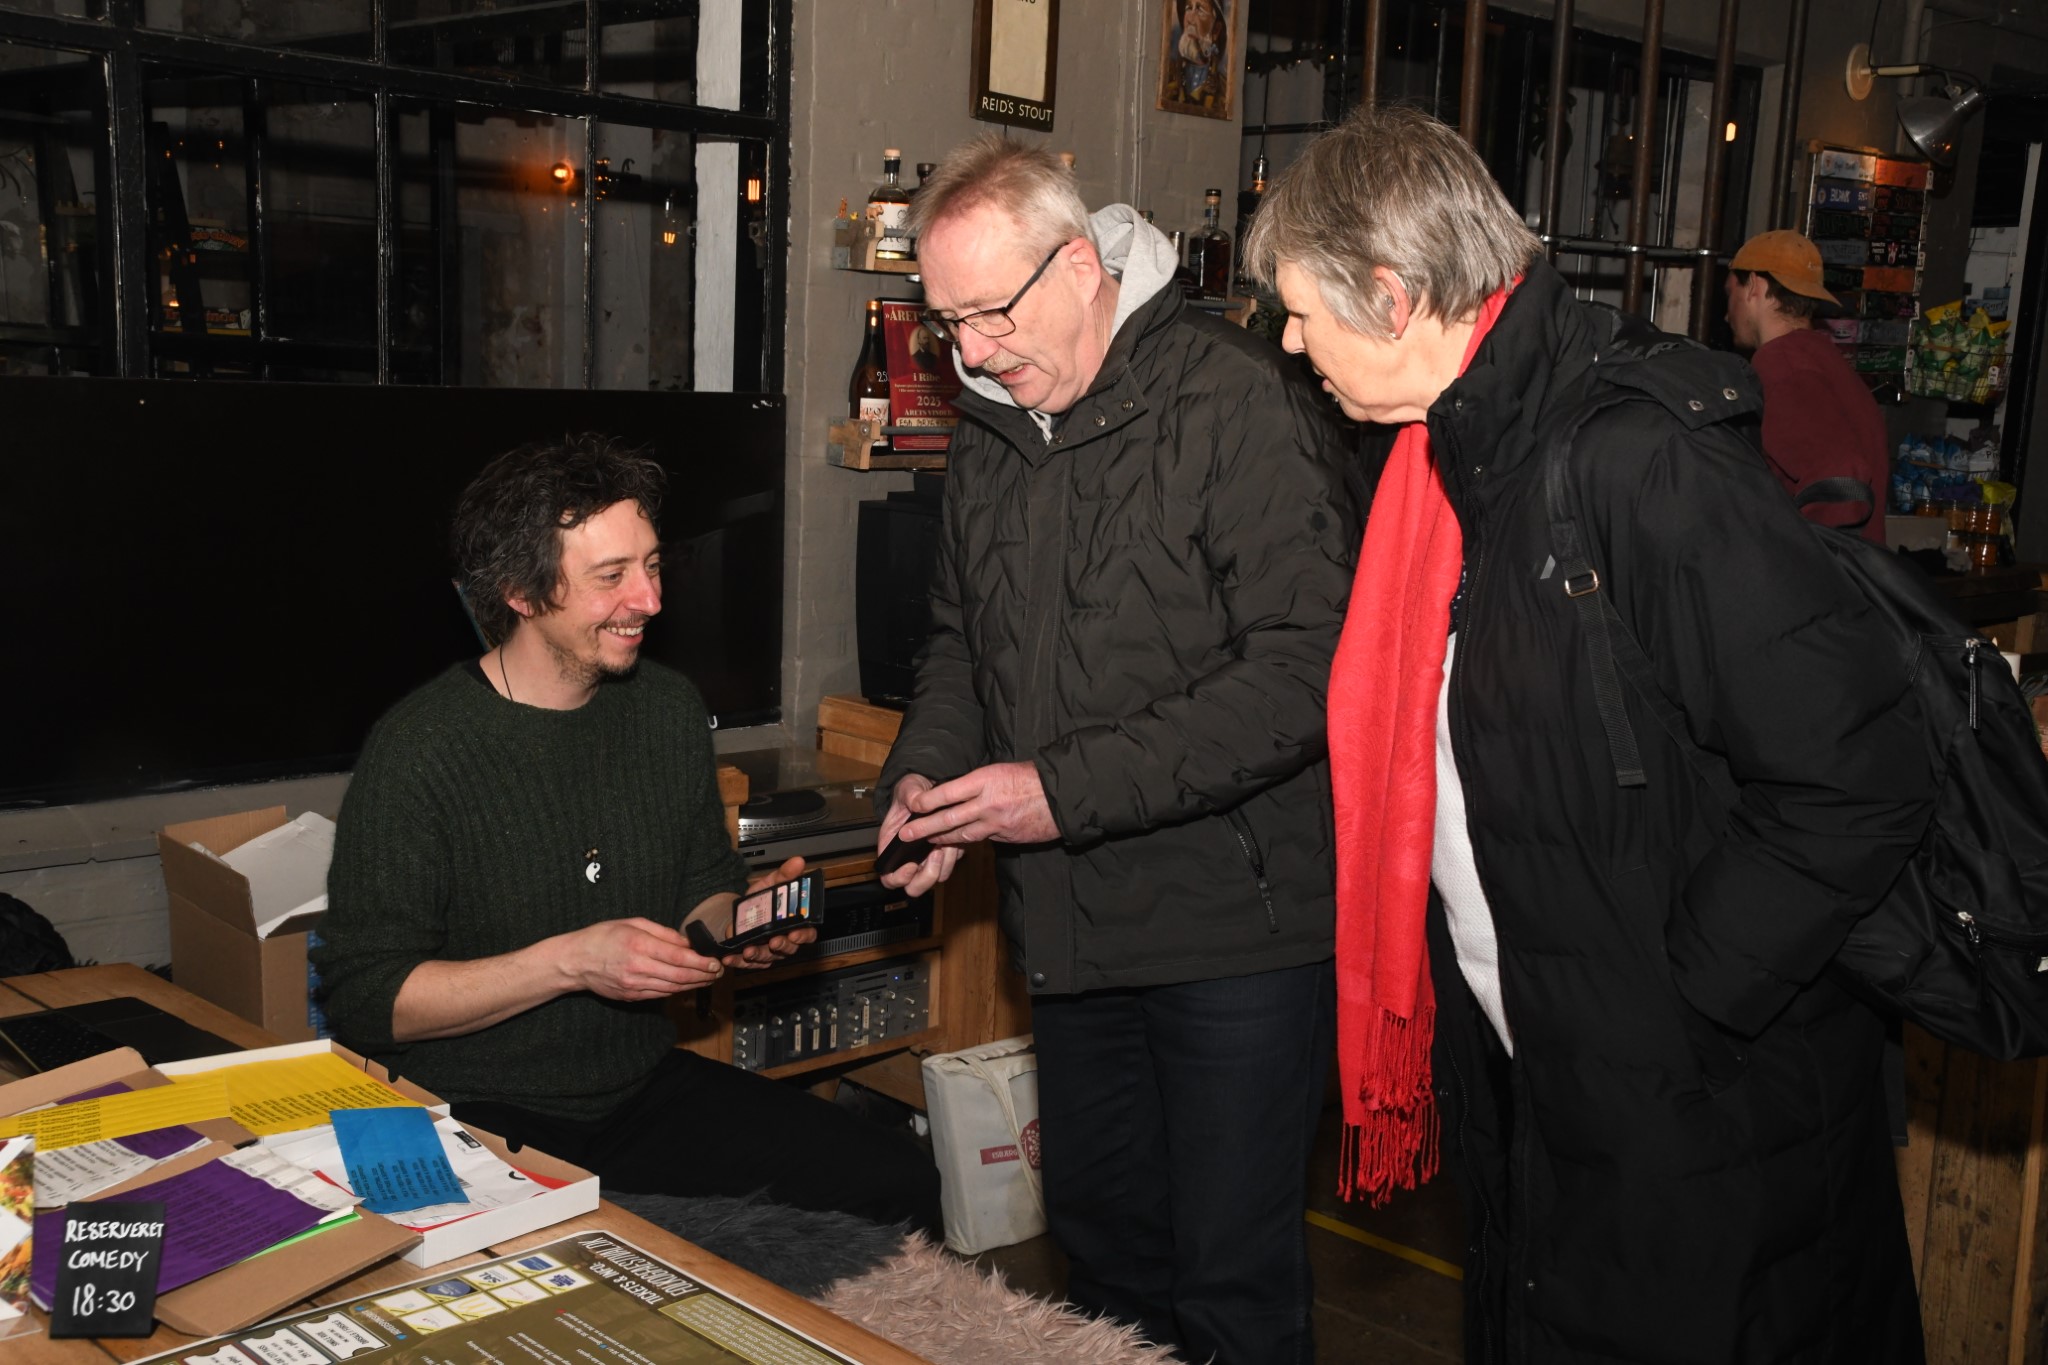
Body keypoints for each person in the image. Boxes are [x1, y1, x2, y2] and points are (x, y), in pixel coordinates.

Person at [1244, 105, 1933, 1362]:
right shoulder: (1454, 461)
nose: (1290, 343)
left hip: (1708, 1129)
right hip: (1547, 1103)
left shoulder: (1633, 464)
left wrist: (1682, 1003)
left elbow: (1860, 772)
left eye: (1302, 310)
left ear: (1393, 297)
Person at [875, 136, 1356, 1365]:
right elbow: (956, 641)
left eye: (990, 313)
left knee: (1230, 1278)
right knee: (1102, 1258)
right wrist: (925, 778)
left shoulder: (1235, 398)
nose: (970, 351)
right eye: (945, 324)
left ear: (1081, 264)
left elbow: (1303, 673)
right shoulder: (990, 422)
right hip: (1070, 926)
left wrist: (1056, 792)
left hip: (1234, 935)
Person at [313, 436, 941, 1235]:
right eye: (611, 577)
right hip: (474, 1116)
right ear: (520, 591)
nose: (648, 599)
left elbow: (701, 889)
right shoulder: (421, 750)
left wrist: (734, 931)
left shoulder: (666, 708)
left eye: (652, 565)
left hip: (639, 1095)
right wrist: (571, 961)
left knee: (900, 1181)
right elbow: (366, 1001)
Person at [1724, 228, 1890, 544]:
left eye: (1730, 292)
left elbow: (1844, 477)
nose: (1726, 311)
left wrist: (1801, 559)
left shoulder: (1781, 362)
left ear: (1755, 286)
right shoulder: (1821, 357)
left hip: (1827, 584)